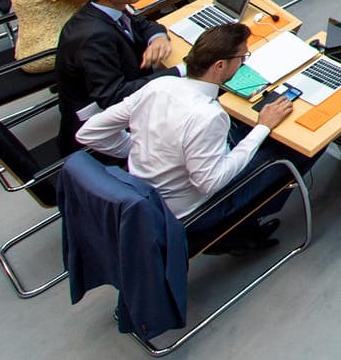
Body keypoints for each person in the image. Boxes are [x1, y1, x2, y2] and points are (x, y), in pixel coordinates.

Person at [75, 23, 312, 252]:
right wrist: (263, 127)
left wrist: (139, 147)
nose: (243, 63)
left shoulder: (160, 86)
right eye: (242, 58)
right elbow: (210, 183)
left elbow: (90, 131)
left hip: (149, 192)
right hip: (193, 214)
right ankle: (239, 231)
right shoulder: (208, 116)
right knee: (295, 150)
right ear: (219, 66)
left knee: (247, 138)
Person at [53, 0, 175, 153]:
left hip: (122, 94)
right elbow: (113, 96)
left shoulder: (107, 8)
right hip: (103, 133)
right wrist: (178, 72)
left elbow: (141, 24)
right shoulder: (94, 37)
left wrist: (158, 37)